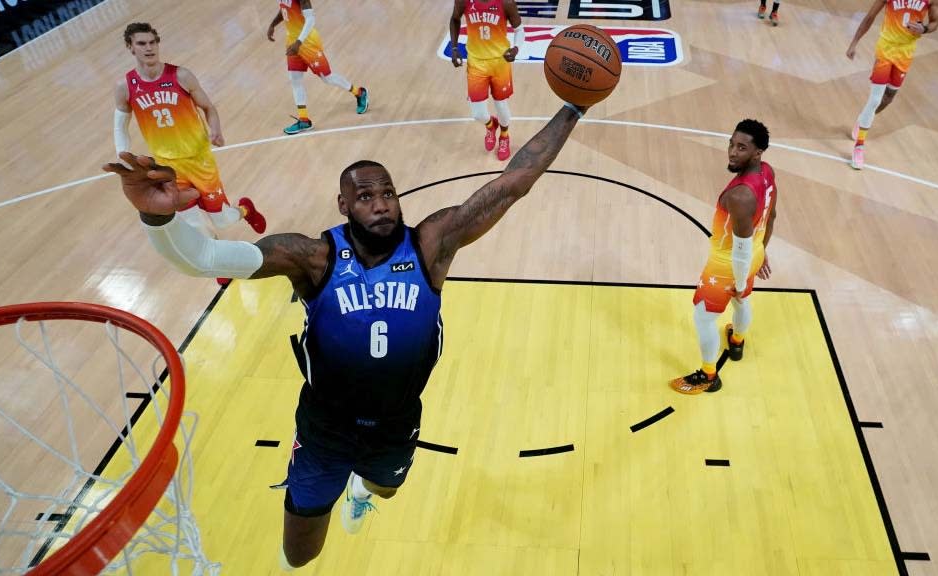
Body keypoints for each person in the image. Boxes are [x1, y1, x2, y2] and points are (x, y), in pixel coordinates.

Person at [104, 102, 589, 568]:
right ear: (343, 205)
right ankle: (333, 497)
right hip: (324, 431)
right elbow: (206, 259)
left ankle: (360, 492)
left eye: (388, 193)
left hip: (398, 422)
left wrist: (574, 107)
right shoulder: (310, 257)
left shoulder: (432, 243)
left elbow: (513, 183)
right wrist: (158, 217)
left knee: (385, 489)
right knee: (300, 555)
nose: (381, 206)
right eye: (365, 196)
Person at [113, 23, 265, 248]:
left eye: (152, 42)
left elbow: (209, 108)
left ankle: (245, 210)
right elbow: (120, 126)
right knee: (193, 223)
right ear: (130, 47)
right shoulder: (125, 86)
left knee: (221, 220)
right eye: (141, 43)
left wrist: (216, 129)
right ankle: (218, 263)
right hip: (167, 167)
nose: (149, 48)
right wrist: (122, 156)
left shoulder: (181, 76)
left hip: (199, 159)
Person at [670, 119, 778, 395]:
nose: (732, 151)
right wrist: (762, 250)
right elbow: (770, 216)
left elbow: (739, 249)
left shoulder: (741, 195)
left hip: (729, 264)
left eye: (742, 147)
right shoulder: (767, 173)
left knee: (703, 318)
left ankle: (708, 375)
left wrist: (739, 280)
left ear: (757, 152)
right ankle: (738, 341)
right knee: (743, 301)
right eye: (731, 144)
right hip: (753, 253)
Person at [846, 0, 938, 169]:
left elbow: (935, 22)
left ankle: (862, 120)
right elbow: (870, 17)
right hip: (886, 48)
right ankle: (859, 147)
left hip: (905, 53)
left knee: (887, 99)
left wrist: (924, 28)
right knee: (875, 99)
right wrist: (854, 42)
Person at [267, 0, 370, 135]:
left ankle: (360, 93)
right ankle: (304, 120)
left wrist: (299, 42)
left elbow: (310, 19)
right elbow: (285, 9)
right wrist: (273, 24)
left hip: (307, 42)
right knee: (295, 79)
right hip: (292, 41)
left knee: (327, 78)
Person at [449, 0, 524, 161]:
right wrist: (454, 48)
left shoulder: (506, 3)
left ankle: (504, 136)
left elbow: (519, 29)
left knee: (501, 105)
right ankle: (491, 125)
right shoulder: (463, 1)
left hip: (499, 62)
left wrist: (516, 49)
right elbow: (455, 19)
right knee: (478, 114)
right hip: (476, 62)